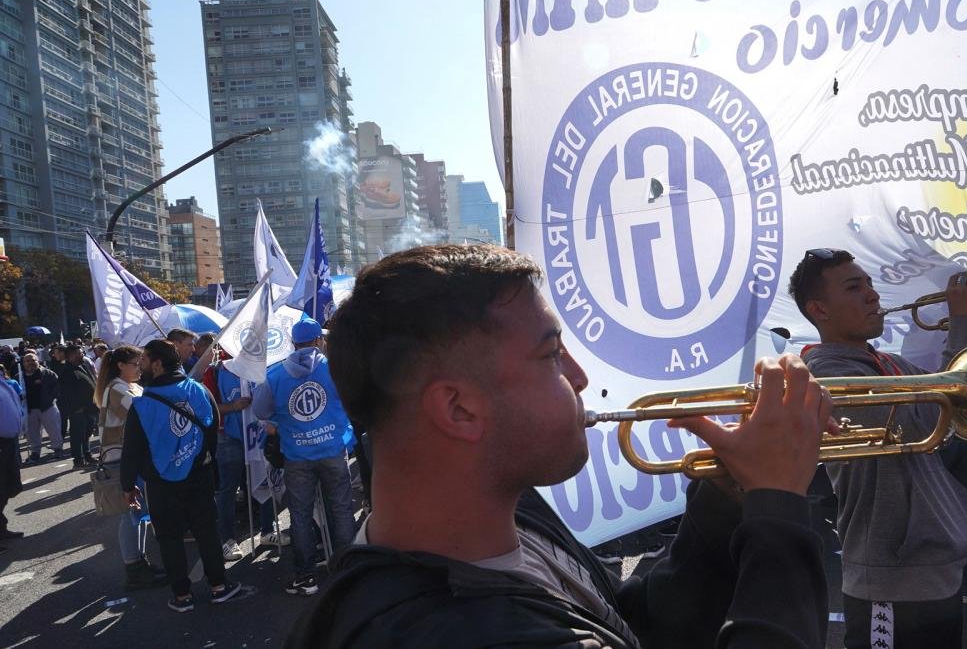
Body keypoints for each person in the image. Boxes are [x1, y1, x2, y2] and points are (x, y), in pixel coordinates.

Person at [286, 244, 835, 648]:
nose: (579, 376)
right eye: (551, 355)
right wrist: (778, 512)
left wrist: (726, 501)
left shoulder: (511, 513)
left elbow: (625, 624)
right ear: (458, 408)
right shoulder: (453, 632)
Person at [788, 249, 967, 648]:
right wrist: (962, 323)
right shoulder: (826, 374)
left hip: (938, 569)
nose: (872, 295)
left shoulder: (890, 364)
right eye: (854, 287)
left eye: (870, 284)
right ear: (819, 309)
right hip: (891, 578)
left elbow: (965, 412)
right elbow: (925, 418)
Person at [119, 339, 242, 612]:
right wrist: (207, 465)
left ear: (158, 364)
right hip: (199, 474)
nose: (141, 369)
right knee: (207, 532)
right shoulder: (199, 391)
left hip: (161, 483)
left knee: (169, 537)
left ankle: (182, 595)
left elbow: (132, 450)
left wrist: (128, 486)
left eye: (145, 362)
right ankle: (219, 586)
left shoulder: (141, 405)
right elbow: (213, 430)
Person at [253, 315, 356, 597]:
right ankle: (347, 570)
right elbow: (352, 399)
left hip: (297, 453)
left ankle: (306, 576)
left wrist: (281, 416)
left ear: (292, 342)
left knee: (299, 515)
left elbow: (260, 411)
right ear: (319, 341)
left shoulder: (274, 375)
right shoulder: (335, 368)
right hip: (333, 449)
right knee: (342, 509)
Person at [94, 345, 167, 590]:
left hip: (132, 456)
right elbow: (141, 413)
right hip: (121, 459)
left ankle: (139, 561)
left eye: (141, 362)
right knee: (129, 514)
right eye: (137, 363)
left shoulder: (130, 386)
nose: (140, 367)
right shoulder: (116, 388)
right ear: (120, 365)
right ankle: (133, 567)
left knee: (139, 514)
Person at [207, 347, 288, 562]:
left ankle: (267, 530)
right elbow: (208, 406)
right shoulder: (216, 370)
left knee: (265, 479)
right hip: (229, 437)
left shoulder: (263, 366)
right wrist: (232, 406)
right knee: (228, 489)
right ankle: (227, 540)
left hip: (259, 434)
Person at [20, 353, 64, 464]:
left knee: (54, 430)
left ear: (38, 360)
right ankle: (35, 453)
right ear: (23, 363)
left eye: (33, 360)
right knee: (32, 433)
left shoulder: (48, 373)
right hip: (29, 409)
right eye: (27, 361)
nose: (30, 362)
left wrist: (50, 399)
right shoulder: (19, 376)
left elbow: (57, 388)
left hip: (47, 407)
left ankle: (58, 449)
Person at [59, 345, 98, 469]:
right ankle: (78, 459)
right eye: (79, 353)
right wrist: (76, 408)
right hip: (78, 410)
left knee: (87, 433)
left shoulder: (82, 366)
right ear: (71, 356)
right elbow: (67, 393)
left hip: (89, 407)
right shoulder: (67, 371)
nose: (82, 355)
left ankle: (87, 454)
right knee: (77, 435)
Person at [0, 377, 23, 543]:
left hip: (10, 442)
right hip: (2, 443)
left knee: (9, 486)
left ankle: (1, 528)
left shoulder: (3, 381)